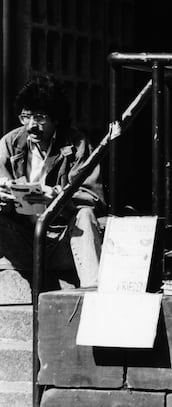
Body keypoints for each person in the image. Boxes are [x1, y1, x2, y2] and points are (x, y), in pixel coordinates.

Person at [0, 75, 104, 287]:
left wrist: (54, 197)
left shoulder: (77, 144)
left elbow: (93, 198)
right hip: (24, 241)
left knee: (85, 215)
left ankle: (94, 295)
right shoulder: (10, 143)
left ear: (56, 118)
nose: (31, 126)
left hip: (61, 240)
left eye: (39, 117)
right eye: (25, 117)